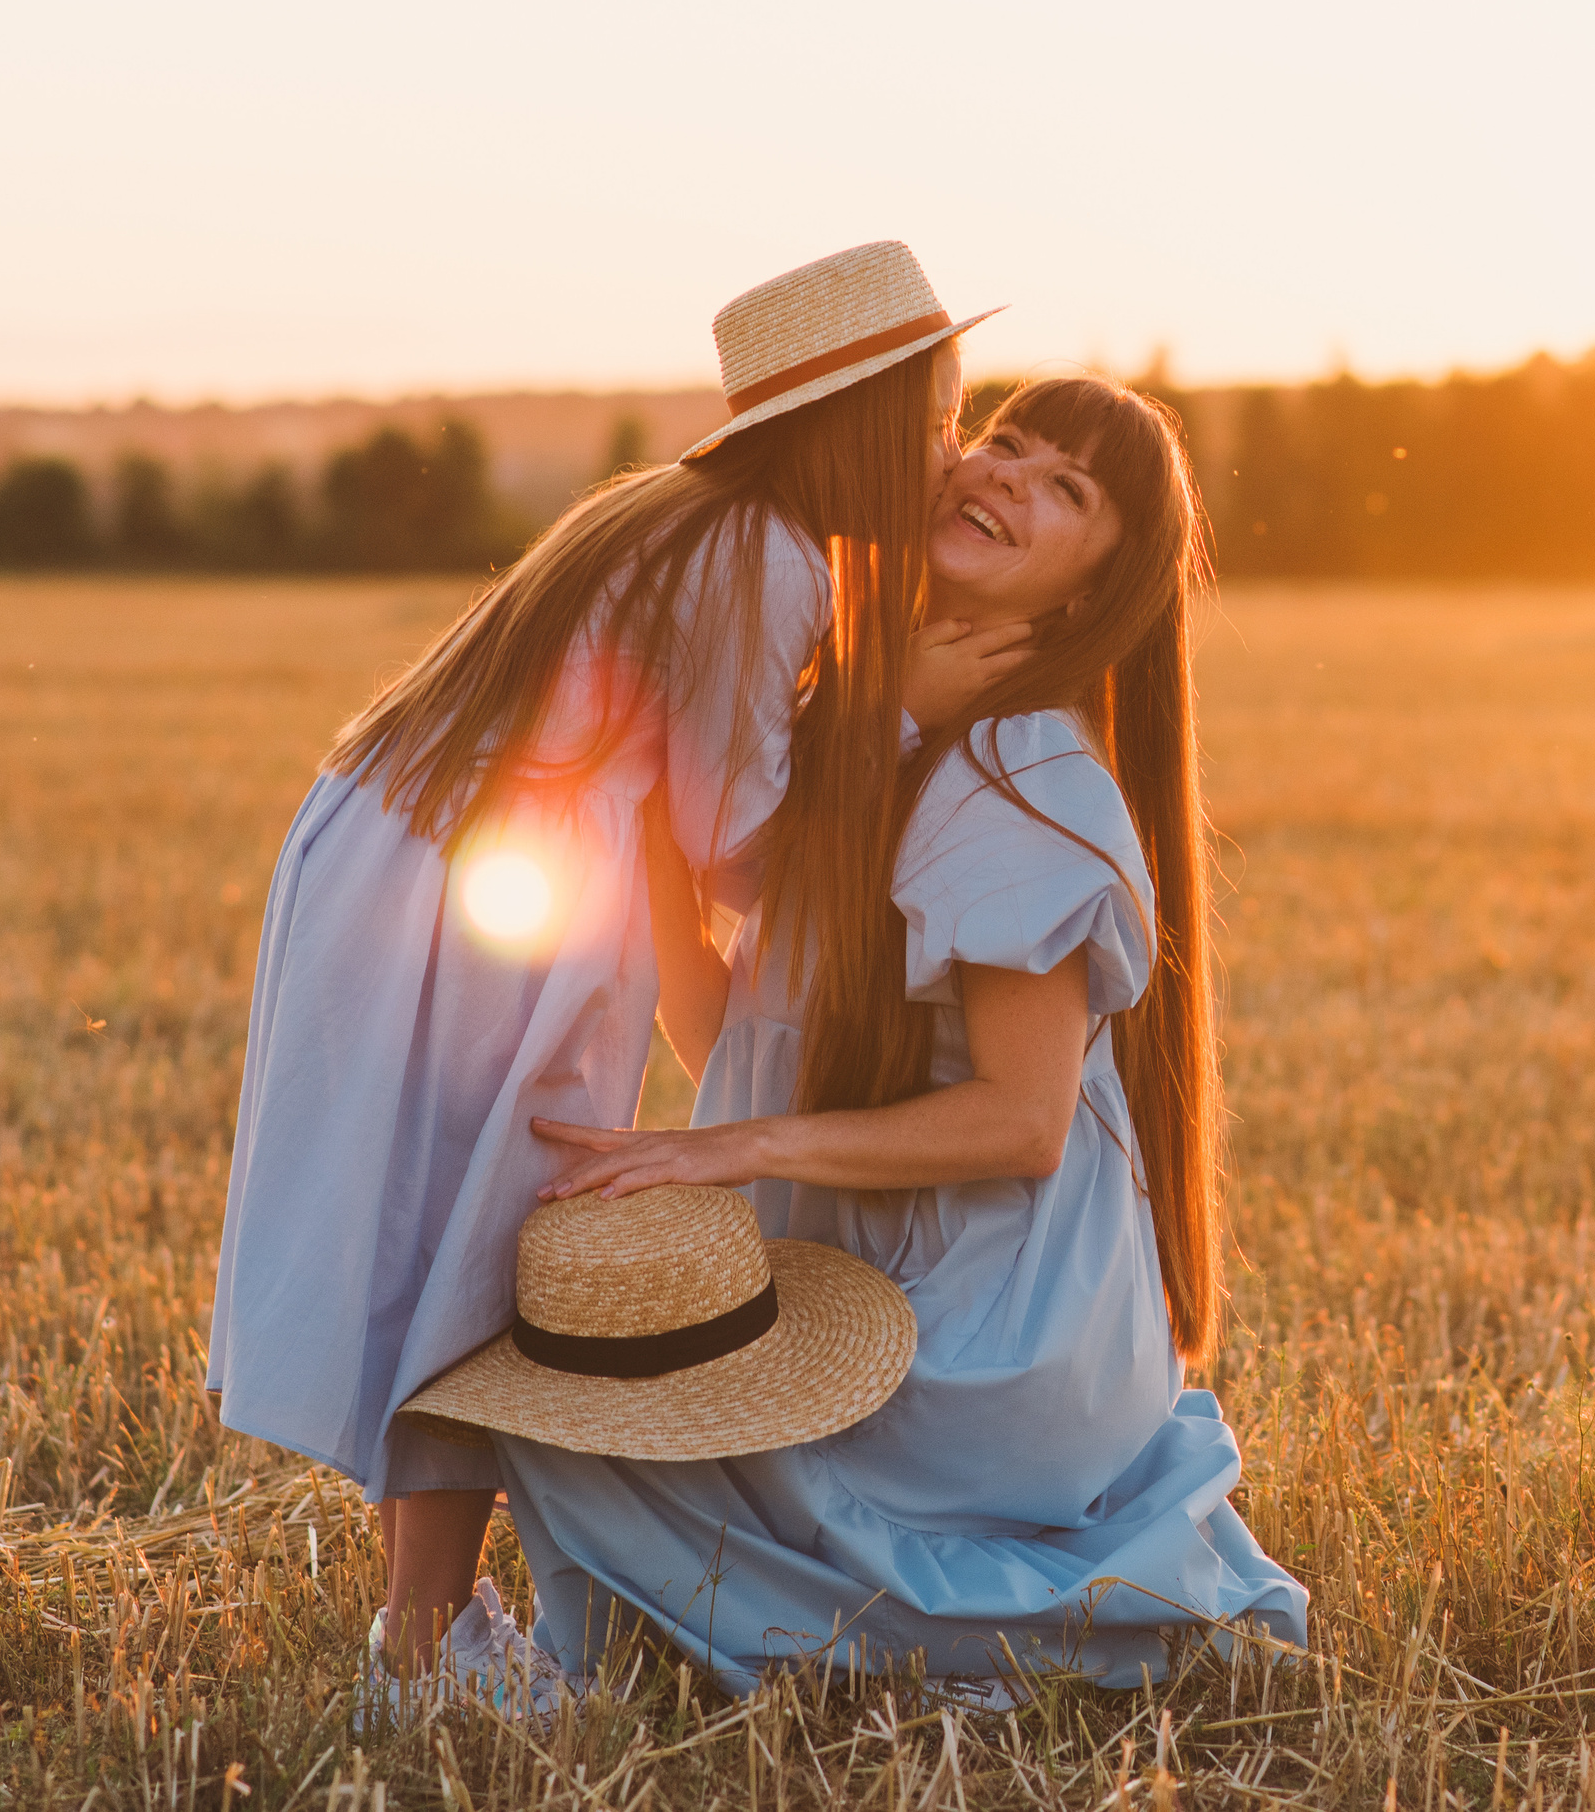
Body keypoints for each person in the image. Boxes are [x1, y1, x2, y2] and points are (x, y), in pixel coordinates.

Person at [206, 242, 1018, 1670]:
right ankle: (424, 1646)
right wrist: (910, 735)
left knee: (430, 1235)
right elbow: (737, 839)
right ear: (872, 422)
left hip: (386, 845)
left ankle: (430, 1630)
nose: (956, 450)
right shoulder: (765, 562)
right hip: (489, 906)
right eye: (945, 415)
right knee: (481, 1256)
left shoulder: (678, 514)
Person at [505, 375, 1309, 1693]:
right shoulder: (880, 744)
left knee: (571, 1435)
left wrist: (726, 1154)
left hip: (979, 1337)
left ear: (1089, 592)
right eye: (1002, 442)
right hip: (886, 1293)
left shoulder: (1018, 771)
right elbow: (740, 1033)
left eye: (1068, 488)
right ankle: (791, 1618)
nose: (1005, 475)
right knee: (557, 1401)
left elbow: (1020, 1118)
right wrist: (651, 801)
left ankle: (948, 1627)